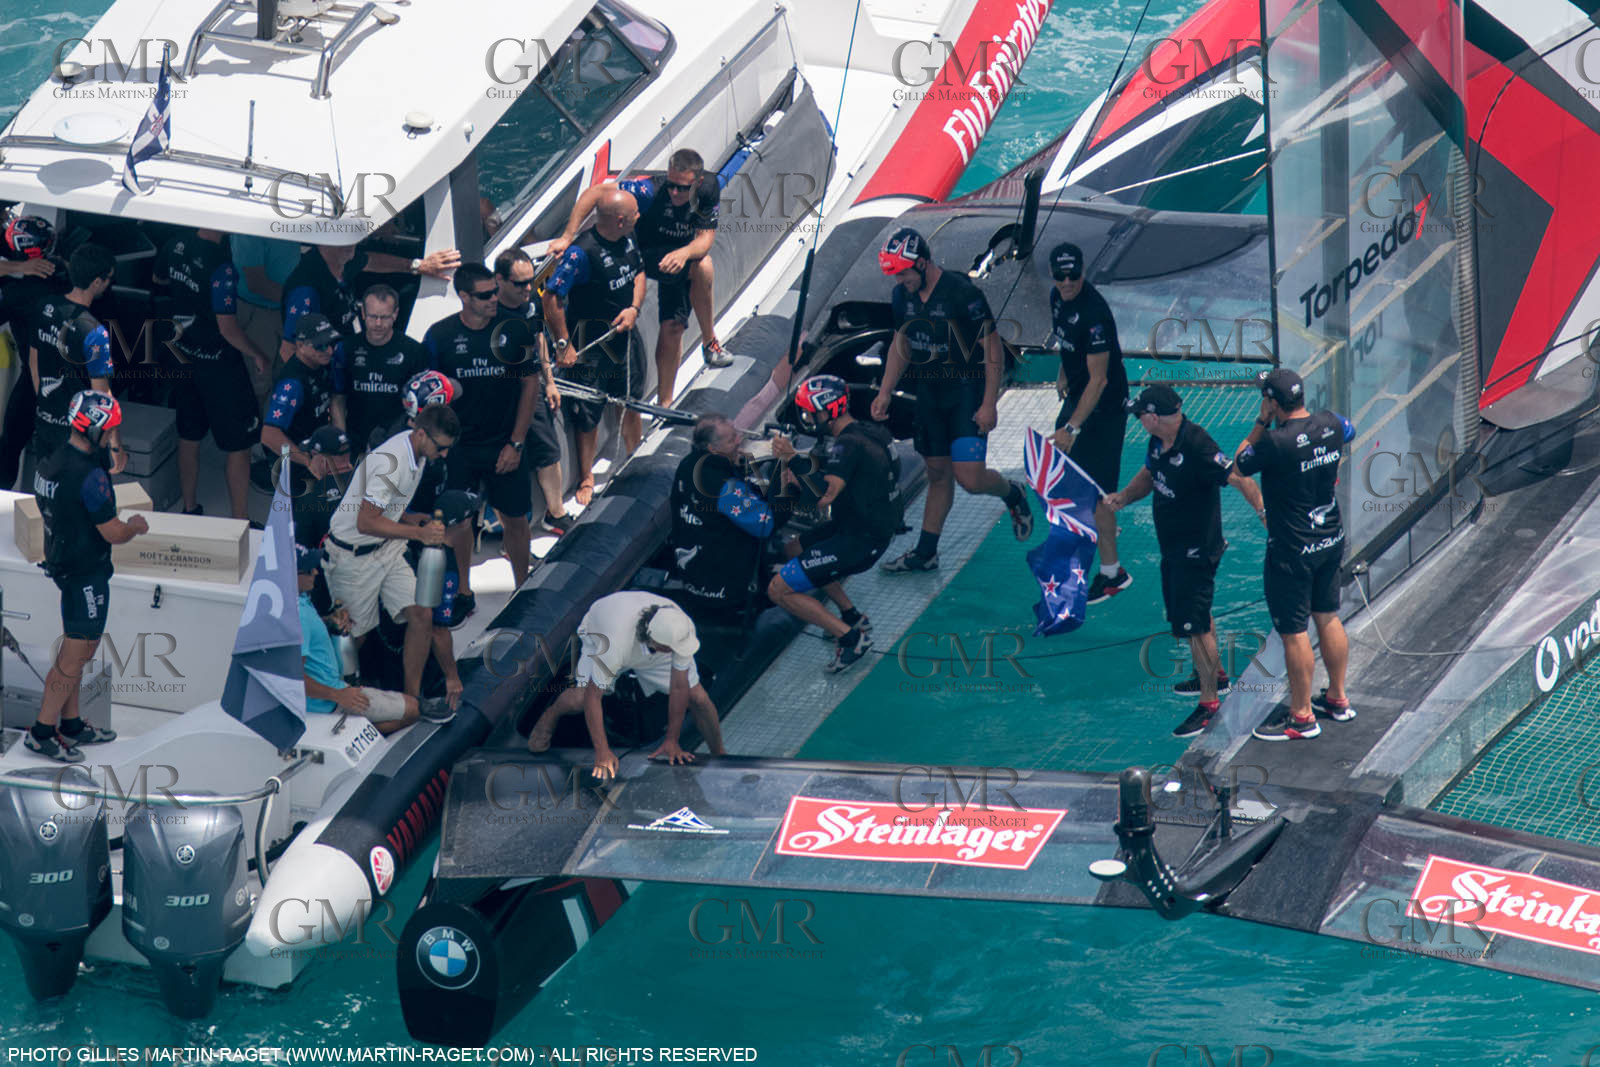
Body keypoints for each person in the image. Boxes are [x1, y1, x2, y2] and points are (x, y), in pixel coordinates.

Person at [1103, 385, 1265, 738]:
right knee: (1196, 615)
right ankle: (1215, 676)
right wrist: (1124, 497)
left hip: (1196, 550)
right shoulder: (1159, 442)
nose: (1137, 421)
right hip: (1173, 547)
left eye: (1139, 415)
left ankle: (1209, 705)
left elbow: (1238, 478)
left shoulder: (1197, 445)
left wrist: (1264, 514)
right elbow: (1150, 474)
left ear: (1153, 417)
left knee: (1196, 625)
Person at [871, 228, 1031, 573]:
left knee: (970, 479)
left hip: (966, 391)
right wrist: (885, 390)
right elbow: (902, 343)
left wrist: (989, 403)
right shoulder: (902, 296)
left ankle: (1013, 494)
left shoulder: (961, 293)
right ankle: (926, 552)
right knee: (938, 473)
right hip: (930, 393)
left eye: (902, 273)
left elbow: (992, 347)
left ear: (923, 263)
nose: (899, 281)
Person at [550, 147, 731, 407]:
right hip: (639, 254)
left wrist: (683, 253)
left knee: (684, 304)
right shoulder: (650, 191)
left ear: (698, 182)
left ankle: (703, 350)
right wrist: (568, 236)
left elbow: (705, 240)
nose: (675, 193)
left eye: (682, 188)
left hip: (676, 255)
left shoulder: (708, 189)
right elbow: (595, 193)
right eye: (671, 185)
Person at [1234, 368, 1357, 741]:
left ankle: (1302, 716)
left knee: (1293, 632)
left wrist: (1260, 421)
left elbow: (1239, 464)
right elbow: (1349, 431)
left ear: (1273, 402)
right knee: (1328, 615)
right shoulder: (1331, 423)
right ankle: (1337, 698)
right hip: (1330, 539)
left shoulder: (1274, 442)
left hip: (1293, 550)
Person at [26, 390, 148, 763]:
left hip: (64, 561)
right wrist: (135, 526)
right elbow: (111, 531)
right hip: (85, 573)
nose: (114, 437)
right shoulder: (90, 477)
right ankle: (42, 732)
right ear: (95, 430)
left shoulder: (54, 458)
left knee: (80, 650)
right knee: (74, 657)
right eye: (110, 430)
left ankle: (72, 723)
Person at [322, 404, 458, 701]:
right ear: (421, 434)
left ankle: (411, 699)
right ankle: (331, 695)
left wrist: (411, 518)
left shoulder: (418, 452)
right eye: (442, 447)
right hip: (352, 556)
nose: (444, 455)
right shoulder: (390, 463)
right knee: (354, 638)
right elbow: (366, 521)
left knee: (422, 613)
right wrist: (419, 533)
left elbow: (389, 509)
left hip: (386, 549)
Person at [770, 375, 898, 673]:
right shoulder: (870, 431)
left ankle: (851, 638)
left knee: (778, 590)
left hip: (860, 539)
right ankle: (851, 615)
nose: (808, 418)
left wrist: (793, 460)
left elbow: (824, 497)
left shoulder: (846, 446)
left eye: (811, 412)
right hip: (861, 525)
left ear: (826, 410)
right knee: (794, 550)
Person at [525, 591, 727, 780]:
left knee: (698, 698)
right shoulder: (614, 644)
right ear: (656, 642)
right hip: (602, 636)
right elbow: (593, 697)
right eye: (672, 648)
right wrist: (602, 751)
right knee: (580, 698)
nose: (678, 651)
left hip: (652, 649)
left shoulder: (682, 629)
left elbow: (679, 687)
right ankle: (550, 715)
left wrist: (672, 740)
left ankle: (720, 755)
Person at [424, 264, 537, 591]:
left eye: (495, 292)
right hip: (458, 448)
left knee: (515, 518)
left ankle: (522, 586)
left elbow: (530, 385)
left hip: (504, 443)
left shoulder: (514, 328)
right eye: (485, 295)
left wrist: (516, 443)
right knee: (458, 521)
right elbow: (429, 392)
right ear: (464, 297)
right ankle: (462, 590)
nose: (494, 299)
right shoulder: (440, 336)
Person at [154, 228, 271, 518]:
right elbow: (227, 329)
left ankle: (190, 507)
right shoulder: (222, 267)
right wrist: (257, 353)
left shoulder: (173, 242)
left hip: (182, 356)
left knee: (189, 435)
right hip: (219, 364)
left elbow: (158, 281)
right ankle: (239, 521)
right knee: (240, 445)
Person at [543, 188, 647, 506]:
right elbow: (551, 298)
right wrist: (564, 345)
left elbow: (639, 273)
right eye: (633, 215)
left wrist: (634, 308)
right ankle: (586, 476)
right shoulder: (580, 254)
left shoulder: (628, 238)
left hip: (625, 335)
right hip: (590, 345)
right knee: (587, 415)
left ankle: (634, 456)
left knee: (632, 400)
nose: (638, 218)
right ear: (618, 220)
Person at [1045, 242, 1133, 605]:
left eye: (1073, 276)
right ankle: (1082, 546)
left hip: (1104, 410)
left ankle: (1113, 574)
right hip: (1080, 398)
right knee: (1061, 473)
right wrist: (1064, 369)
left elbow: (1099, 381)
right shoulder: (1057, 297)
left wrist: (1072, 428)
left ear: (1083, 273)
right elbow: (1068, 342)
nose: (1066, 282)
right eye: (1060, 276)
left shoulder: (1094, 313)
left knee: (1099, 495)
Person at [296, 544, 453, 734]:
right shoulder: (298, 616)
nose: (315, 572)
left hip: (332, 689)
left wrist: (328, 621)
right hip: (330, 701)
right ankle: (354, 733)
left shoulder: (298, 600)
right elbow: (293, 677)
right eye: (307, 570)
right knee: (413, 710)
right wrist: (339, 695)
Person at [669, 413, 789, 620]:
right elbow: (767, 525)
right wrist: (785, 482)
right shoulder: (725, 487)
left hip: (695, 578)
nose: (739, 440)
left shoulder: (687, 465)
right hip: (732, 592)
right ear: (712, 449)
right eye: (732, 439)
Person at [491, 248, 568, 535]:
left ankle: (556, 512)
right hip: (500, 390)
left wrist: (550, 381)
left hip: (532, 383)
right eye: (520, 283)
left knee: (548, 448)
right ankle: (507, 529)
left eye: (530, 281)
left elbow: (539, 337)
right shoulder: (487, 309)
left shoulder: (531, 300)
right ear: (499, 280)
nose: (527, 289)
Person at [29, 244, 125, 473]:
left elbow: (33, 362)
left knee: (46, 492)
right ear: (96, 282)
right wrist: (115, 446)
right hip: (80, 438)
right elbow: (102, 397)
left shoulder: (46, 306)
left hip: (45, 423)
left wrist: (46, 405)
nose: (109, 283)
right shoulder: (94, 333)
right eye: (109, 278)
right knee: (84, 502)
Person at [280, 242, 459, 362]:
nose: (352, 244)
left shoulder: (343, 258)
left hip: (346, 351)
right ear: (323, 242)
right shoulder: (306, 289)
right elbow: (289, 350)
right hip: (323, 366)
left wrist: (417, 266)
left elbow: (370, 260)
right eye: (343, 239)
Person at [0, 215, 64, 488]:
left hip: (36, 380)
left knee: (9, 447)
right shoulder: (63, 273)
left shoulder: (15, 293)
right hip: (70, 378)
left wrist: (17, 268)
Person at [333, 284, 429, 454]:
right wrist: (341, 441)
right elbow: (338, 398)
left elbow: (422, 406)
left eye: (384, 317)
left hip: (398, 441)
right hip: (356, 440)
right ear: (362, 313)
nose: (378, 323)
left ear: (395, 314)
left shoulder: (413, 351)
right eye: (372, 316)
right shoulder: (346, 349)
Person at [262, 312, 345, 480]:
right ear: (300, 345)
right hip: (295, 464)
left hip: (319, 448)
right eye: (320, 346)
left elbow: (335, 400)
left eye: (331, 343)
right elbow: (268, 435)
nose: (328, 350)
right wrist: (308, 462)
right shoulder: (293, 385)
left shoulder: (322, 363)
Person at [229, 233, 301, 392]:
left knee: (288, 378)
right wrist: (297, 301)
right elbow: (256, 283)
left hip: (287, 313)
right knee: (260, 383)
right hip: (259, 314)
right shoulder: (249, 227)